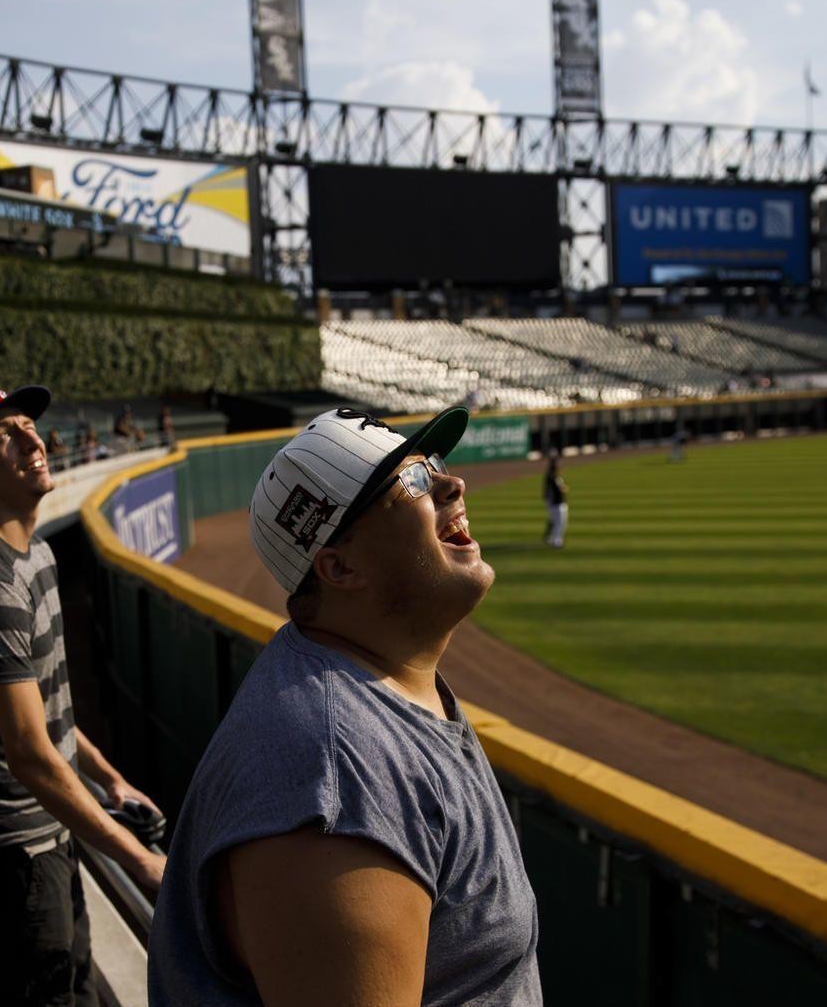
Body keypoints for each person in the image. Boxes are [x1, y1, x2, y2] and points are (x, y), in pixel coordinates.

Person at [150, 407, 542, 1006]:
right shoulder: (332, 779)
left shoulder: (379, 697)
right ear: (338, 566)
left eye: (433, 465)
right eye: (411, 483)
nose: (451, 484)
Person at [0, 383, 166, 1005]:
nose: (35, 440)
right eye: (7, 435)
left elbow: (50, 712)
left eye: (30, 426)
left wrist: (110, 778)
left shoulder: (36, 555)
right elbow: (30, 753)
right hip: (5, 860)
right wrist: (138, 859)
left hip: (38, 842)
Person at [543, 454, 569, 549]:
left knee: (555, 522)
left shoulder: (550, 476)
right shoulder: (553, 477)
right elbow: (561, 489)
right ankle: (556, 541)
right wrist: (564, 488)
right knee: (560, 522)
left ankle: (552, 538)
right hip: (557, 503)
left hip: (552, 503)